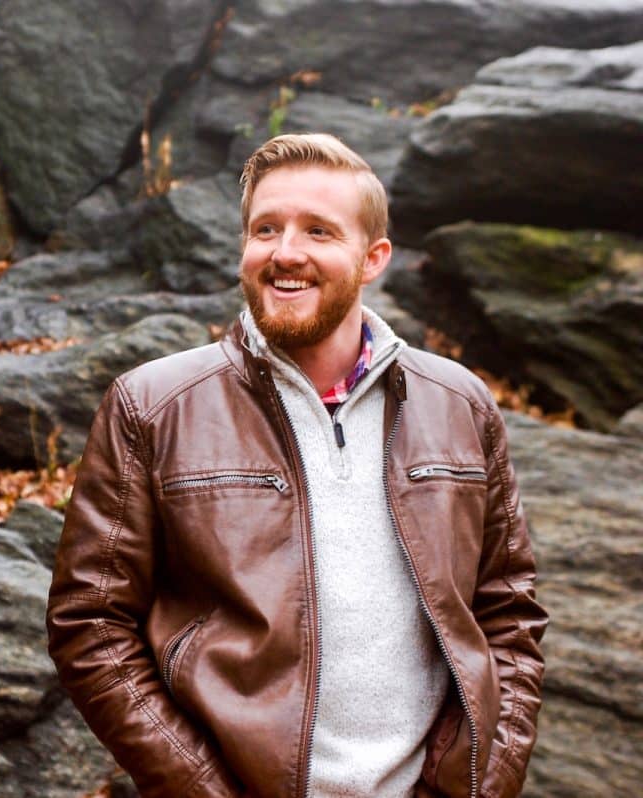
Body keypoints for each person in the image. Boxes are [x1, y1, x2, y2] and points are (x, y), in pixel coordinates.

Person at [46, 133, 547, 798]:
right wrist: (200, 786)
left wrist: (485, 780)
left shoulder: (460, 405)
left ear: (373, 259)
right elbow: (90, 624)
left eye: (318, 231)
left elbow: (509, 616)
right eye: (266, 229)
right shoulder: (153, 406)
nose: (286, 253)